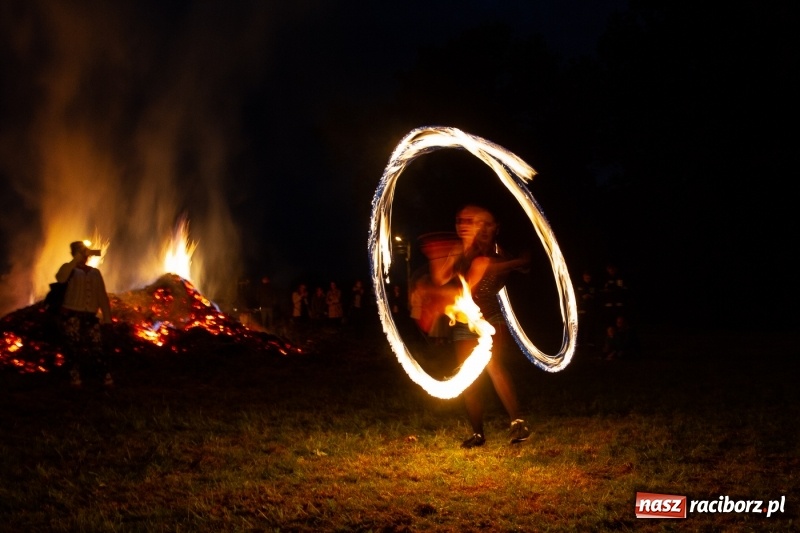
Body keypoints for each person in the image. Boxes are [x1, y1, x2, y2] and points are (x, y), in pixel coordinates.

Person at [426, 205, 531, 448]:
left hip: (489, 319)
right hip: (464, 321)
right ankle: (477, 433)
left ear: (494, 227)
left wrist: (518, 262)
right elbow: (441, 278)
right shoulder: (459, 250)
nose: (471, 226)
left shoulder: (495, 253)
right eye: (461, 221)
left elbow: (485, 273)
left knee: (494, 366)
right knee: (468, 375)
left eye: (480, 222)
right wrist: (442, 257)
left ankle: (518, 423)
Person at [56, 241, 113, 389]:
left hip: (90, 316)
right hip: (72, 314)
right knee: (72, 346)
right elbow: (60, 278)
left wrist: (107, 319)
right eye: (80, 252)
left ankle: (104, 375)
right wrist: (75, 260)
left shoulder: (95, 272)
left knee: (97, 345)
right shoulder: (69, 269)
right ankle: (75, 377)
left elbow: (102, 296)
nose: (84, 256)